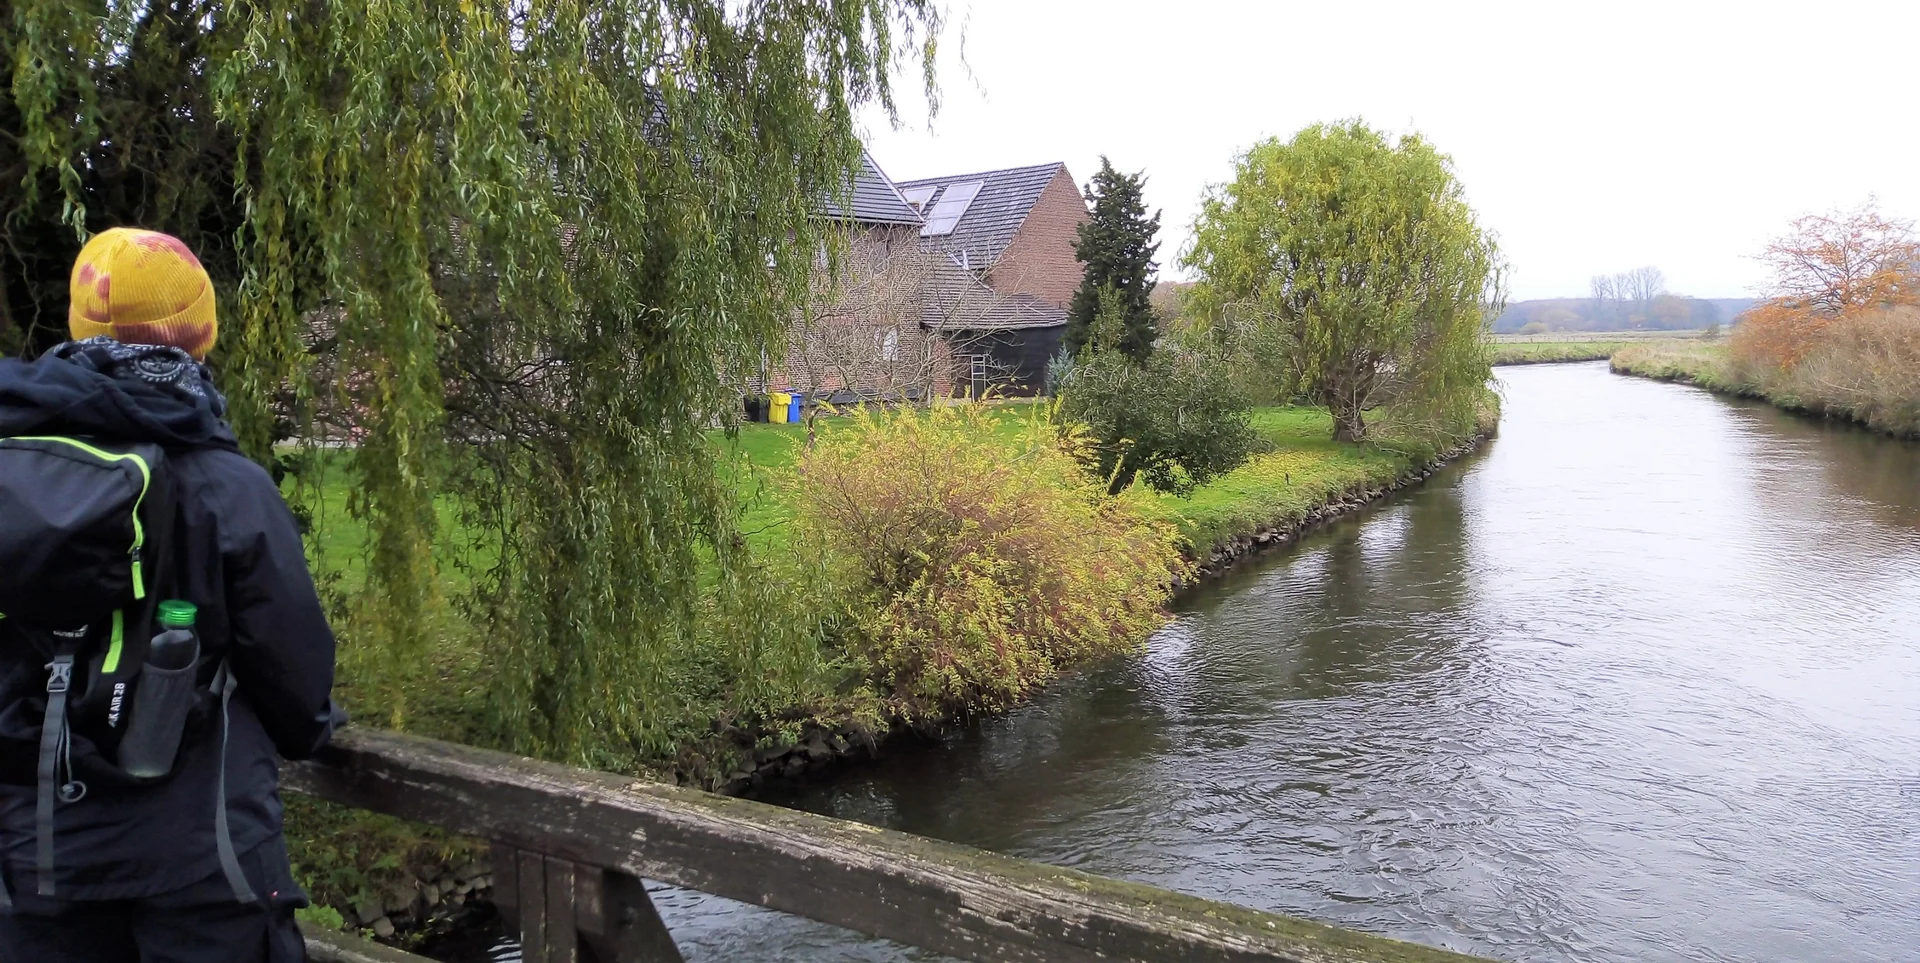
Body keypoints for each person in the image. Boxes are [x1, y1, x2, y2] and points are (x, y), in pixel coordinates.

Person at [0, 228, 342, 962]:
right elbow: (294, 666)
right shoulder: (227, 487)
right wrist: (312, 730)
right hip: (201, 849)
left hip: (42, 849)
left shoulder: (12, 474)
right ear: (199, 335)